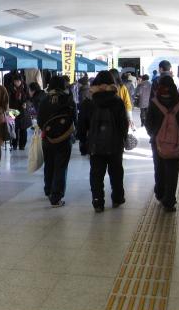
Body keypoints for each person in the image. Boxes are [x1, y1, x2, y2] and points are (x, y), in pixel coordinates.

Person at [77, 71, 129, 213]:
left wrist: (83, 142)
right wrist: (122, 138)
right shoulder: (117, 101)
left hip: (95, 144)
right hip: (115, 144)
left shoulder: (89, 102)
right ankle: (118, 198)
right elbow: (123, 124)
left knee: (96, 174)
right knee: (116, 172)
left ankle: (98, 201)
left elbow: (81, 125)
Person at [145, 76, 179, 212]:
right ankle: (169, 201)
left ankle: (160, 193)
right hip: (175, 144)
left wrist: (155, 135)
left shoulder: (154, 102)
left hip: (157, 143)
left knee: (159, 168)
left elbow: (148, 123)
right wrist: (178, 136)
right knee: (172, 171)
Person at [37, 76, 76, 207]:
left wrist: (48, 131)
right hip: (64, 139)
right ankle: (56, 197)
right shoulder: (68, 99)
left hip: (47, 139)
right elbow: (74, 119)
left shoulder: (44, 100)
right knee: (61, 167)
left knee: (49, 165)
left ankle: (48, 190)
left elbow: (39, 120)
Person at [8, 73, 31, 150]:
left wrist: (26, 104)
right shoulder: (10, 88)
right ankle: (14, 144)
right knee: (14, 128)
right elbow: (8, 101)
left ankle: (22, 145)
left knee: (23, 129)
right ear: (13, 81)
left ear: (21, 81)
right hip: (13, 110)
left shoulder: (25, 87)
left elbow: (29, 99)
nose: (17, 83)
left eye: (18, 81)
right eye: (15, 81)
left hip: (23, 110)